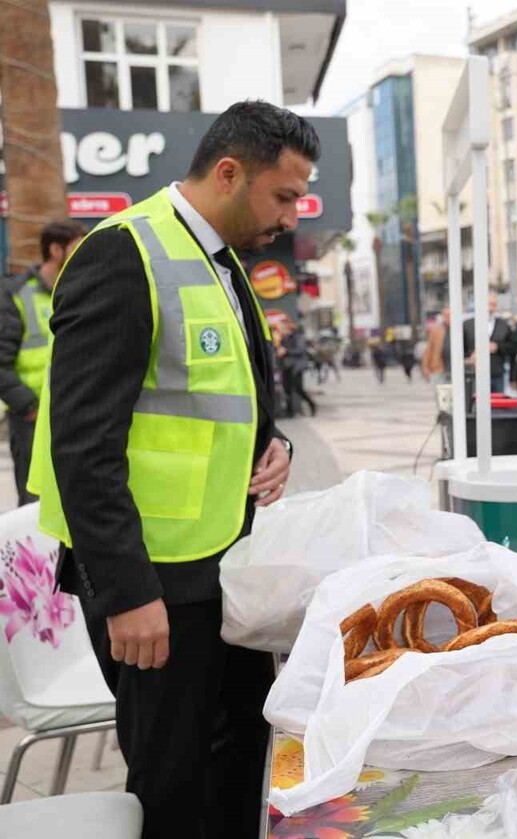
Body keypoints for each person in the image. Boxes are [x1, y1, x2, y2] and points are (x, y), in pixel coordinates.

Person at [27, 101, 311, 839]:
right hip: (152, 583)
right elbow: (82, 443)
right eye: (283, 195)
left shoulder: (218, 260)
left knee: (239, 755)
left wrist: (274, 448)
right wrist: (126, 593)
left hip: (220, 565)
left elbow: (232, 391)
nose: (291, 215)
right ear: (228, 172)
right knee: (174, 784)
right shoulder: (124, 251)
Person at [0, 220, 84, 505]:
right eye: (76, 247)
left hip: (74, 414)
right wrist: (29, 408)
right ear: (56, 249)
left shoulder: (82, 289)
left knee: (73, 502)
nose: (84, 253)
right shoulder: (15, 293)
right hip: (31, 418)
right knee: (33, 503)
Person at [464, 293, 517, 394]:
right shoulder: (467, 325)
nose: (491, 308)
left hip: (497, 374)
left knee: (497, 405)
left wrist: (497, 347)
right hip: (475, 374)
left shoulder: (504, 325)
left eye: (493, 304)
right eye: (488, 304)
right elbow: (460, 350)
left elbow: (513, 348)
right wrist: (469, 357)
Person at [278, 318, 315, 417]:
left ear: (288, 327)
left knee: (298, 388)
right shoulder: (284, 338)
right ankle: (290, 412)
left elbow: (300, 350)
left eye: (282, 327)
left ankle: (312, 405)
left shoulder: (298, 336)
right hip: (287, 366)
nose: (281, 329)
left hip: (297, 367)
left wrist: (286, 351)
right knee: (287, 389)